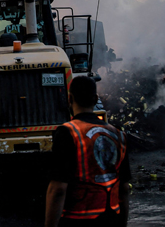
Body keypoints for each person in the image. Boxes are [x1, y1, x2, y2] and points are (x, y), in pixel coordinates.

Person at [45, 75, 131, 227]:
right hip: (111, 217)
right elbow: (124, 188)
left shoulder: (68, 132)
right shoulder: (118, 134)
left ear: (70, 99)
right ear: (96, 98)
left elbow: (58, 189)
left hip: (79, 219)